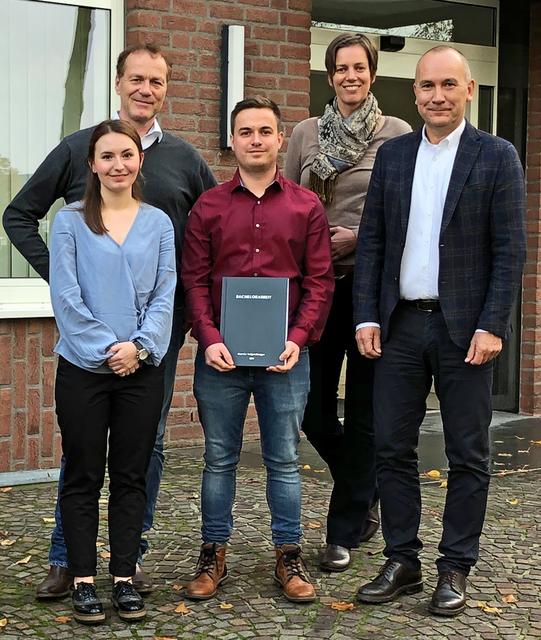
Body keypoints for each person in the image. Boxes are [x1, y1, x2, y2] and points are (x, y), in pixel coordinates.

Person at [2, 44, 216, 598]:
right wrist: (62, 276)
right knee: (83, 456)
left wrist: (188, 318)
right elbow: (19, 214)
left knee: (149, 447)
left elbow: (211, 235)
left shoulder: (187, 160)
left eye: (157, 81)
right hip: (87, 339)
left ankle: (130, 557)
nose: (146, 89)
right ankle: (66, 561)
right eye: (136, 79)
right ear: (119, 83)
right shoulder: (78, 149)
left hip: (154, 340)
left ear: (166, 89)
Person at [353, 46, 526, 616]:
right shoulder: (395, 156)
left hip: (465, 332)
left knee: (468, 453)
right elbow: (374, 241)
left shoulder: (496, 156)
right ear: (416, 92)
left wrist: (493, 324)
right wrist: (367, 314)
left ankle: (455, 565)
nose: (436, 96)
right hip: (400, 324)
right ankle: (402, 559)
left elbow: (509, 252)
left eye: (448, 85)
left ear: (469, 90)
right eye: (427, 86)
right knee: (390, 448)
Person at [181, 97, 334, 603]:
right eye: (245, 131)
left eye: (264, 131)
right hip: (222, 359)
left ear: (279, 138)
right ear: (233, 140)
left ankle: (288, 555)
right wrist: (209, 338)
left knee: (285, 459)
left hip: (285, 358)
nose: (255, 140)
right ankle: (213, 552)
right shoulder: (208, 206)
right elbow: (195, 281)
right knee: (219, 459)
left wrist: (297, 338)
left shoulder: (306, 206)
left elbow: (319, 281)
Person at [284, 32, 411, 572]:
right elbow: (288, 201)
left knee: (362, 412)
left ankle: (343, 530)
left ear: (372, 73)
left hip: (369, 288)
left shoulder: (397, 134)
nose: (350, 76)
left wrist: (358, 237)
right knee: (311, 411)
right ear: (330, 74)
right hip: (317, 288)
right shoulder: (305, 134)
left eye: (359, 68)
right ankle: (368, 483)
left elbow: (403, 213)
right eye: (340, 68)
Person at [50, 119, 175, 624]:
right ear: (92, 164)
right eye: (107, 156)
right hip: (83, 367)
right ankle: (82, 578)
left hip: (141, 371)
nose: (117, 164)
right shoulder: (69, 221)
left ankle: (124, 575)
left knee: (131, 474)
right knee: (82, 474)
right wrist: (108, 348)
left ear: (139, 160)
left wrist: (140, 349)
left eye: (126, 155)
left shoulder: (160, 222)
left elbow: (167, 293)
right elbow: (66, 295)